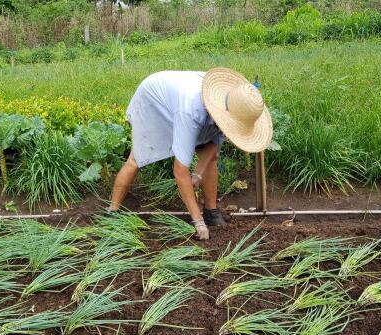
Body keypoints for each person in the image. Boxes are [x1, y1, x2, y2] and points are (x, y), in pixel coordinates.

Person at [108, 67, 273, 240]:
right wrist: (197, 222)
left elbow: (213, 146)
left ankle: (211, 211)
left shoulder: (236, 106)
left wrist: (199, 174)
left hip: (181, 102)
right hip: (153, 102)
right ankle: (112, 211)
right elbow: (180, 170)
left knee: (211, 159)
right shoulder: (191, 110)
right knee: (136, 158)